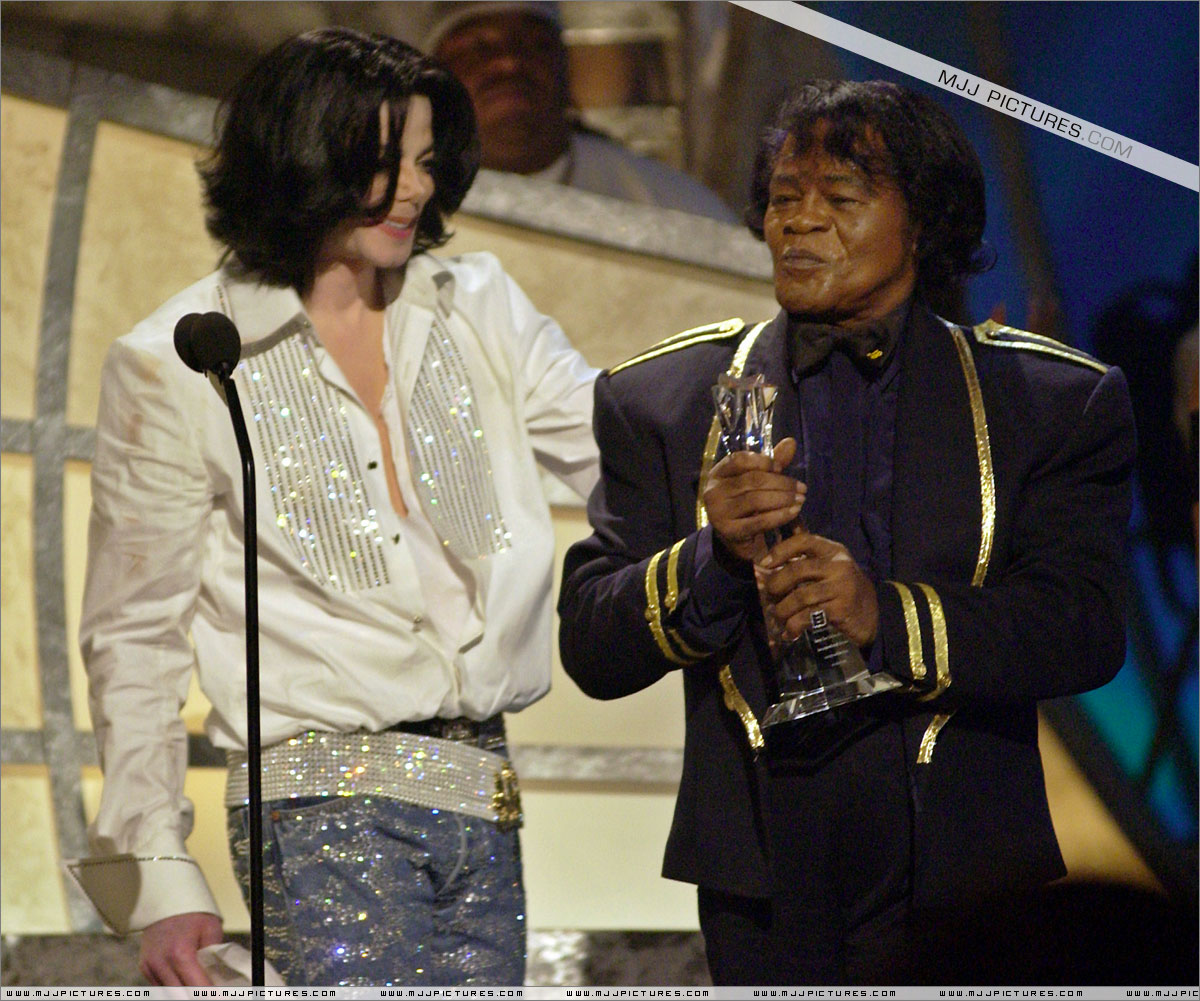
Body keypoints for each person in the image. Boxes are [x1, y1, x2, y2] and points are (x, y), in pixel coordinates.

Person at [557, 80, 1136, 985]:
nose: (801, 222)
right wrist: (711, 559)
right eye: (784, 198)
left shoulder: (1049, 402)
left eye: (841, 197)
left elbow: (1083, 626)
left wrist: (885, 616)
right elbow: (592, 644)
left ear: (924, 223)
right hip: (759, 879)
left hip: (966, 875)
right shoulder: (664, 399)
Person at [77, 27, 598, 988]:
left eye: (427, 162)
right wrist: (157, 873)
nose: (414, 190)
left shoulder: (477, 304)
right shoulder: (183, 357)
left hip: (484, 805)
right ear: (303, 153)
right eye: (385, 161)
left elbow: (623, 453)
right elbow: (134, 636)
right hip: (319, 818)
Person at [424, 1, 737, 223]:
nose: (509, 63)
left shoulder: (676, 208)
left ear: (566, 69)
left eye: (535, 44)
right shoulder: (408, 209)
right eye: (477, 49)